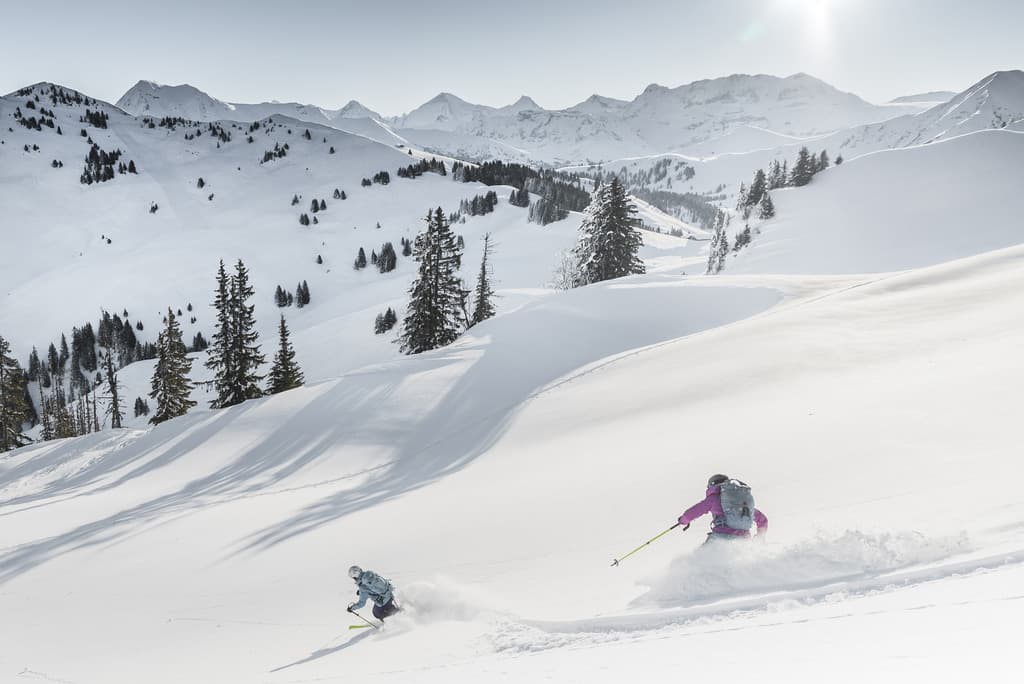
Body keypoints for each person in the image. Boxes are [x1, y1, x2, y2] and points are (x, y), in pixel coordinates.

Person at [678, 474, 768, 543]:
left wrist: (683, 520)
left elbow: (695, 510)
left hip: (721, 537)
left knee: (700, 558)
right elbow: (762, 520)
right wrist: (760, 537)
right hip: (744, 539)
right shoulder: (739, 504)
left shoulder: (713, 499)